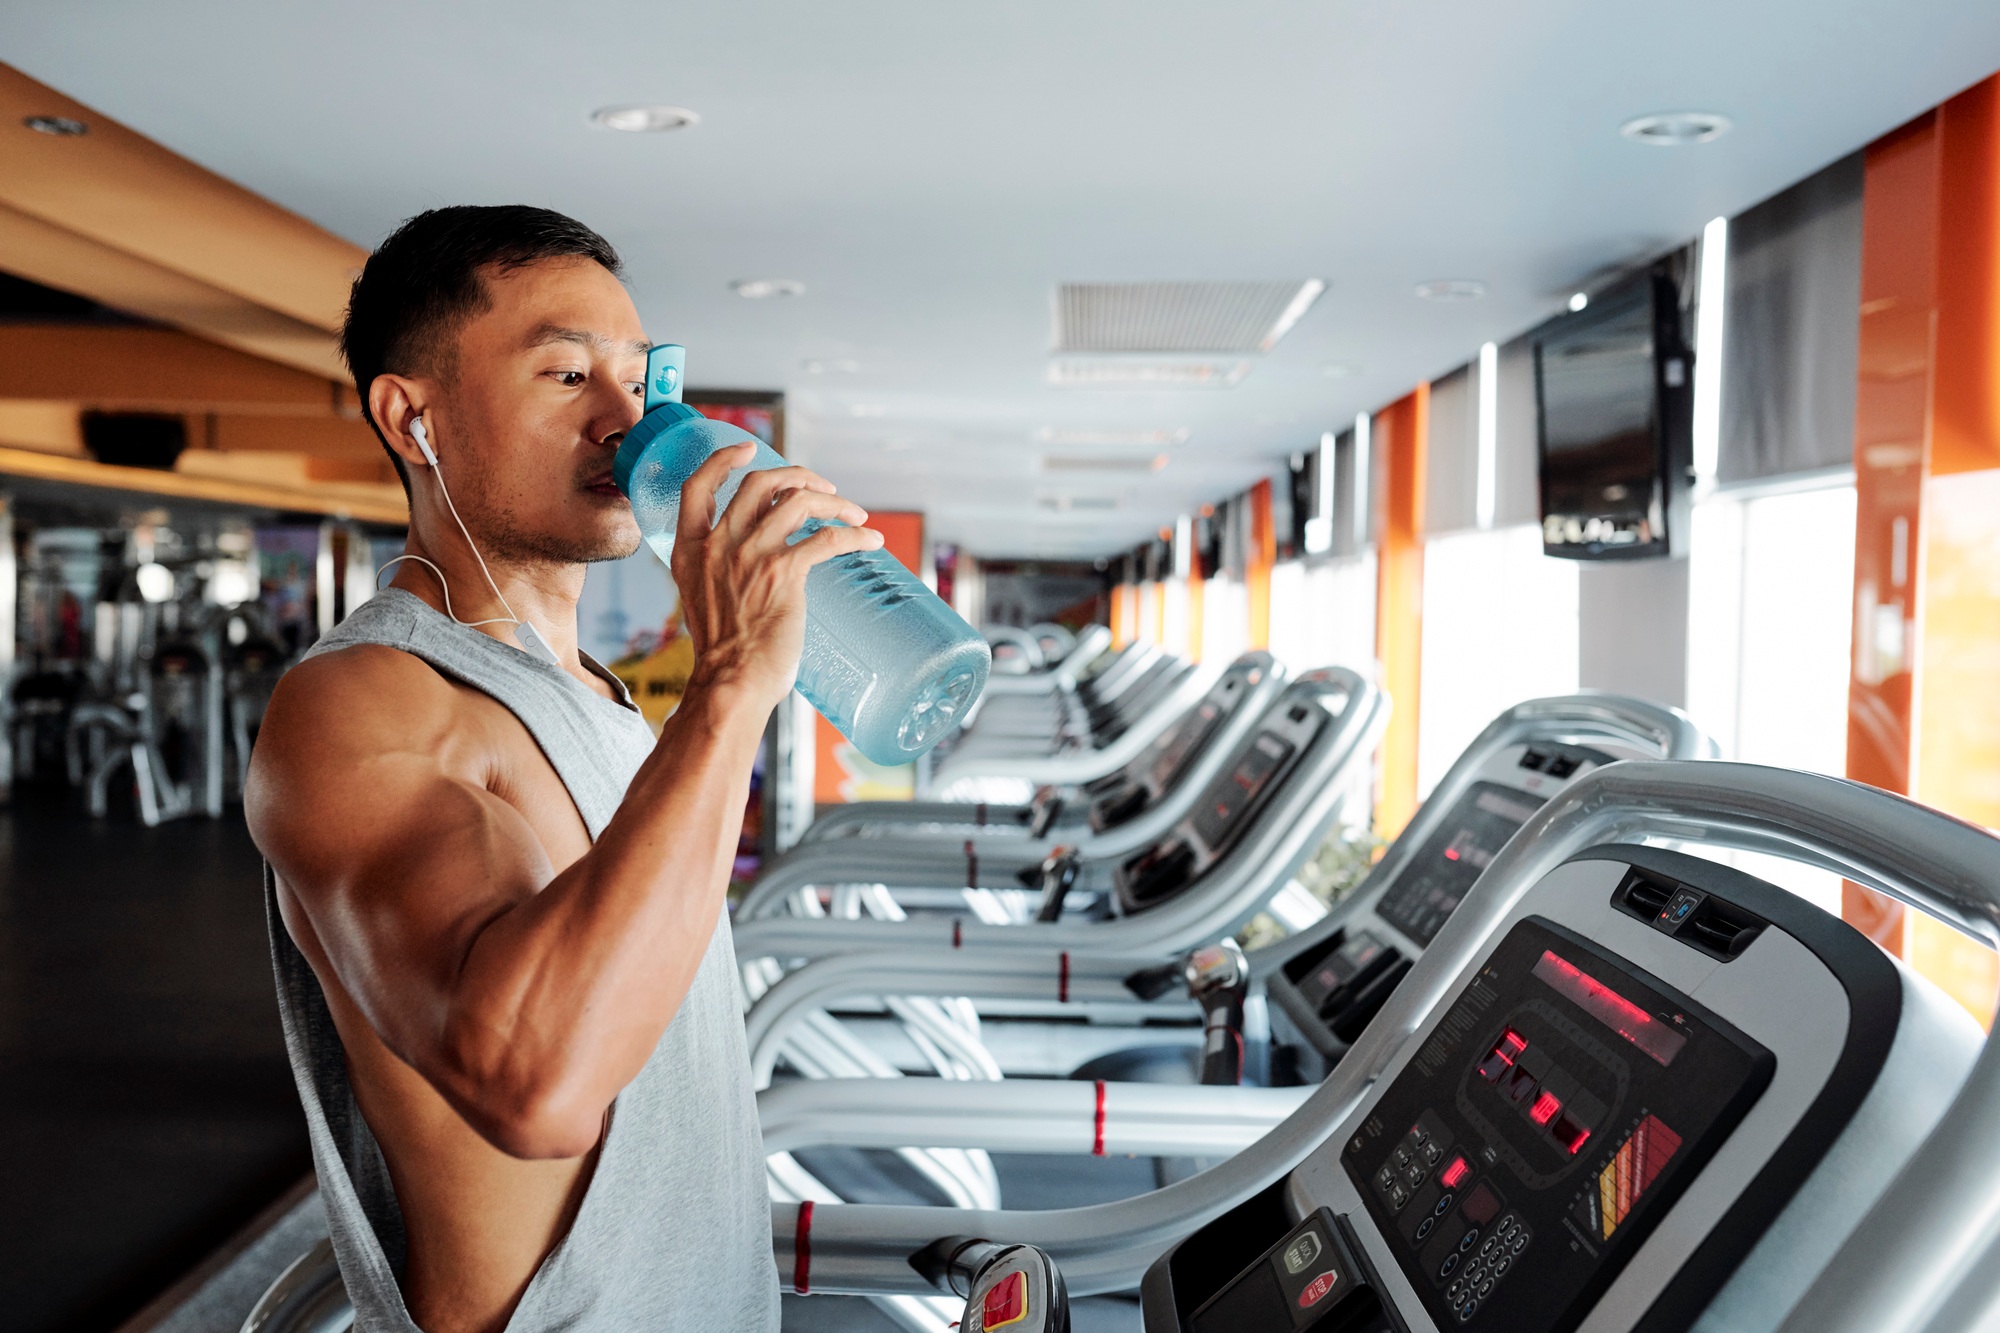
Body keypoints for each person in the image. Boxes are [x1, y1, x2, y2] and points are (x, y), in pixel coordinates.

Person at [245, 205, 882, 1333]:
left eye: (637, 377)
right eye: (565, 373)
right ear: (412, 418)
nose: (625, 418)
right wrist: (730, 681)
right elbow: (535, 1085)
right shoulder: (363, 701)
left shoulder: (601, 698)